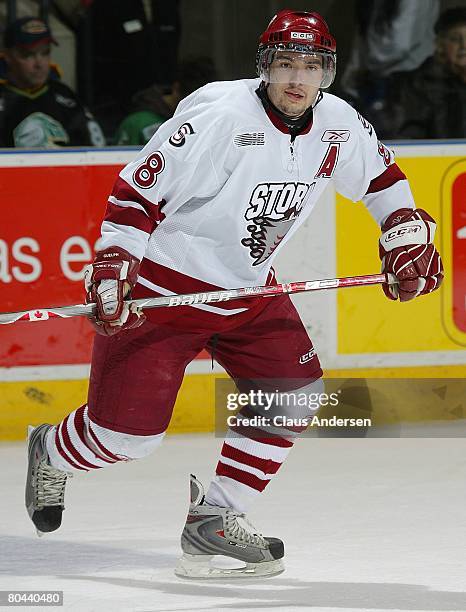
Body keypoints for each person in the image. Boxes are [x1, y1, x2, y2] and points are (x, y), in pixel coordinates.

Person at [25, 10, 443, 578]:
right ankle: (51, 448)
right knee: (125, 440)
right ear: (266, 67)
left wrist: (405, 235)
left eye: (313, 66)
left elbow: (382, 183)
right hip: (167, 288)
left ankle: (214, 519)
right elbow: (136, 190)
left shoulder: (339, 123)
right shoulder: (221, 114)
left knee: (293, 394)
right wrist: (116, 260)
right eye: (287, 64)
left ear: (328, 71)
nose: (299, 79)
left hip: (250, 291)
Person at [0, 16, 105, 148]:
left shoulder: (65, 97)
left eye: (45, 52)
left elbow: (96, 152)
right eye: (28, 55)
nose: (39, 64)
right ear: (8, 57)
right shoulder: (4, 99)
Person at [340, 0, 439, 138]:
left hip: (410, 83)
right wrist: (351, 79)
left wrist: (367, 68)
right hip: (373, 83)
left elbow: (401, 43)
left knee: (402, 140)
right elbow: (362, 37)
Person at [396, 6, 466, 139]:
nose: (464, 46)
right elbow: (409, 141)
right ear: (439, 45)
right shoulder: (418, 85)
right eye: (455, 39)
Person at [114, 57, 217, 146]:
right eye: (190, 100)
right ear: (176, 89)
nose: (194, 107)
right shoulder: (138, 123)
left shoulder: (207, 121)